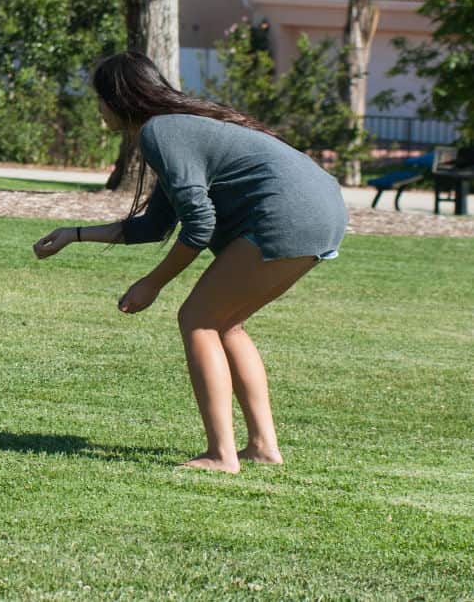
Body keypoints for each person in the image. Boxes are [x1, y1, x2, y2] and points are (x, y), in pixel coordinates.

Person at [33, 51, 347, 473]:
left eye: (99, 98)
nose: (98, 108)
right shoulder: (174, 129)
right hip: (323, 211)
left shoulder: (160, 132)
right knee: (226, 323)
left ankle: (222, 455)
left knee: (197, 319)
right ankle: (263, 447)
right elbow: (154, 224)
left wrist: (152, 283)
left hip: (287, 215)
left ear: (117, 98)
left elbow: (199, 225)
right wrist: (74, 235)